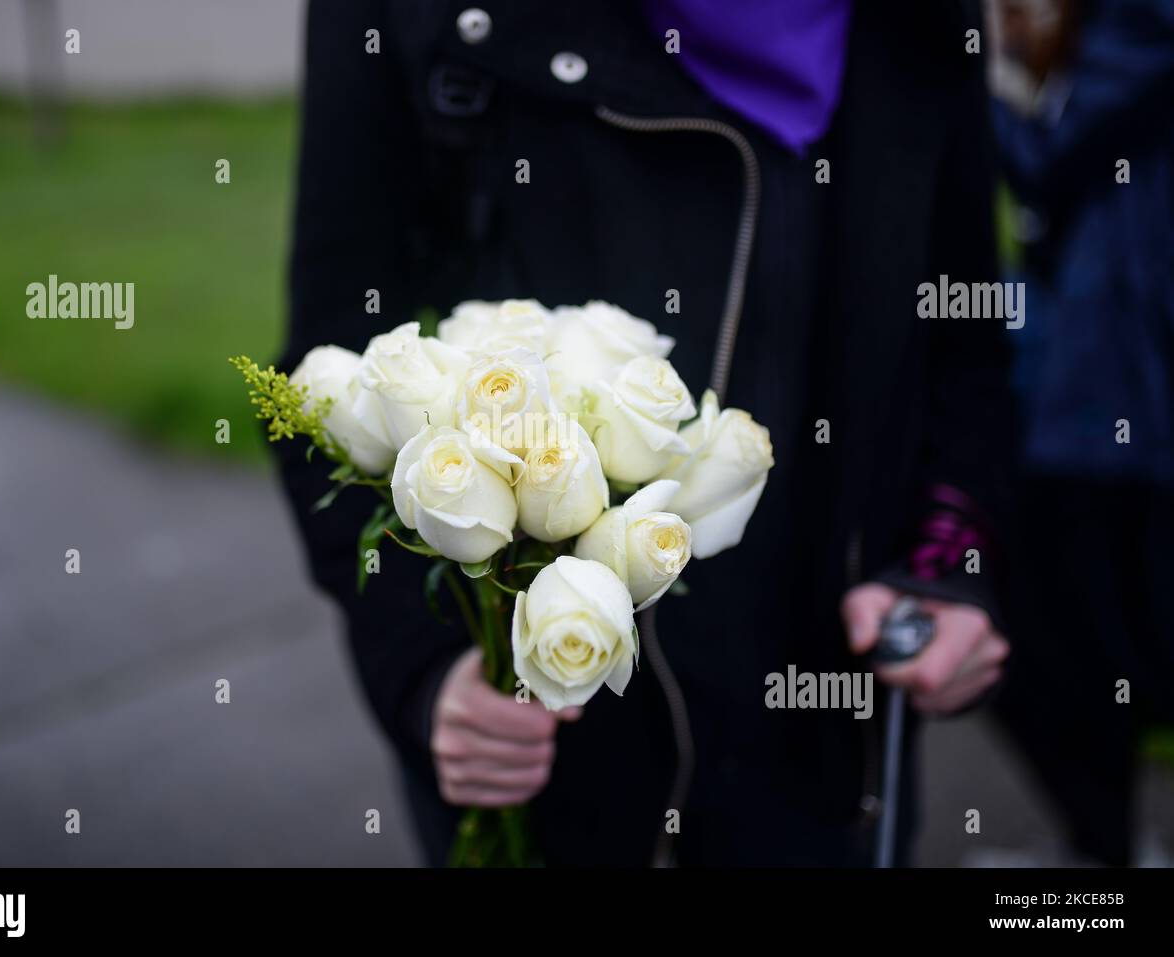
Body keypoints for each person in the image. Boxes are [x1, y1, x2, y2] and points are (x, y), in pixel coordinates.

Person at [274, 0, 1014, 866]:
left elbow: (965, 348)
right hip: (551, 767)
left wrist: (946, 567)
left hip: (822, 749)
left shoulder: (914, 24)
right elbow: (327, 379)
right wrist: (428, 673)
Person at [989, 0, 1174, 866]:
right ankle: (1105, 847)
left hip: (1110, 412)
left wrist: (966, 73)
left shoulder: (1142, 25)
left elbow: (1043, 161)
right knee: (1091, 650)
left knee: (1061, 653)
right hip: (1099, 408)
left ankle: (1106, 856)